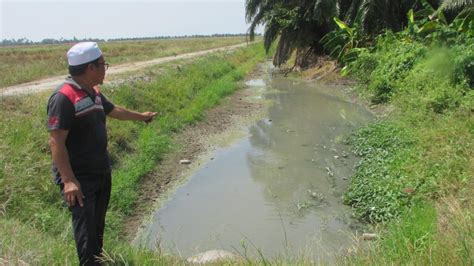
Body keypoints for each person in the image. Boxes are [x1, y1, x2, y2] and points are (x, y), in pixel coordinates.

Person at [46, 42, 157, 265]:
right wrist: (69, 181)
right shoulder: (64, 97)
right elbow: (56, 141)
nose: (106, 68)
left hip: (100, 170)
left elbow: (113, 110)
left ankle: (98, 260)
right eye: (103, 64)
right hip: (79, 178)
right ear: (90, 68)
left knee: (97, 226)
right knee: (86, 231)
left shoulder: (93, 92)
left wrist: (141, 116)